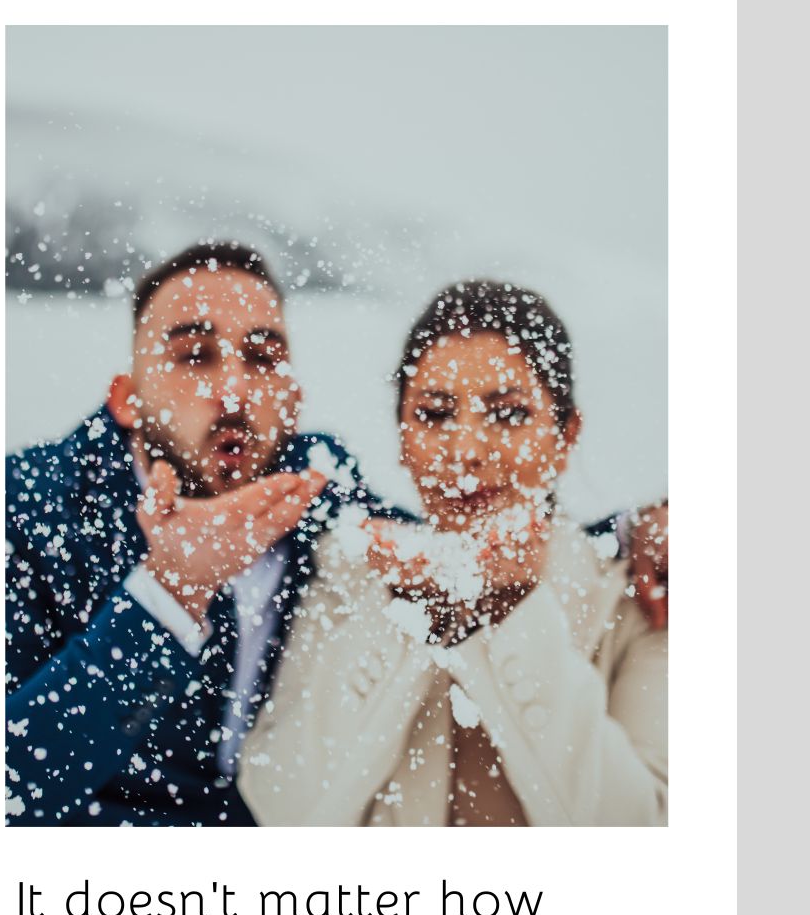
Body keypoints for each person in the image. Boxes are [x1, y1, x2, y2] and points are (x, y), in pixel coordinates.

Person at [239, 280, 668, 827]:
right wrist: (404, 608)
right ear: (400, 437)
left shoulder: (642, 600)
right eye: (436, 414)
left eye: (508, 414)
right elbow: (285, 811)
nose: (465, 451)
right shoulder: (348, 578)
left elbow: (645, 832)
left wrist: (511, 607)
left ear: (565, 436)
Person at [5, 241, 388, 826]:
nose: (235, 389)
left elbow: (461, 549)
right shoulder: (20, 512)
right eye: (194, 356)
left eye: (262, 359)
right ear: (126, 399)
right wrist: (170, 590)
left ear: (294, 398)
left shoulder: (326, 503)